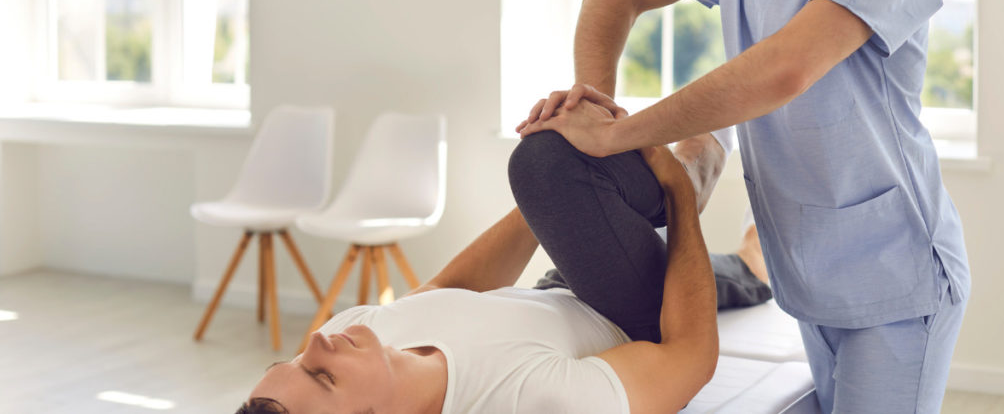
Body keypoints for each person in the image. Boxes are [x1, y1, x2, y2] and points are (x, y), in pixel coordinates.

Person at [517, 0, 969, 412]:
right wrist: (592, 103)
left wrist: (614, 135)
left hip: (893, 269)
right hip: (806, 270)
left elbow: (783, 70)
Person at [239, 125, 772, 414]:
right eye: (321, 376)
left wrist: (546, 210)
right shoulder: (526, 403)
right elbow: (690, 360)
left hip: (560, 291)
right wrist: (678, 194)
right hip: (636, 323)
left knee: (550, 168)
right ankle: (709, 161)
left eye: (286, 362)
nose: (315, 343)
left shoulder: (354, 339)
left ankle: (716, 156)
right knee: (547, 163)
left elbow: (448, 291)